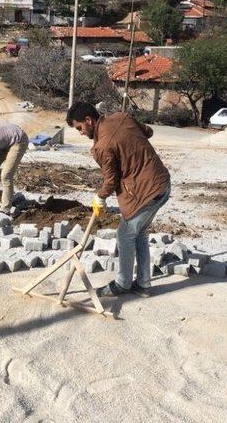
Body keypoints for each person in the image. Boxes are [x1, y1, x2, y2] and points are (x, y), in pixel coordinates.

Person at [66, 103, 170, 298]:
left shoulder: (102, 146)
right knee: (138, 233)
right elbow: (148, 131)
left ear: (89, 120)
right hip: (162, 183)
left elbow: (111, 180)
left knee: (124, 234)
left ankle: (123, 284)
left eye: (80, 127)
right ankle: (144, 284)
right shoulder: (123, 117)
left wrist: (100, 197)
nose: (80, 132)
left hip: (146, 192)